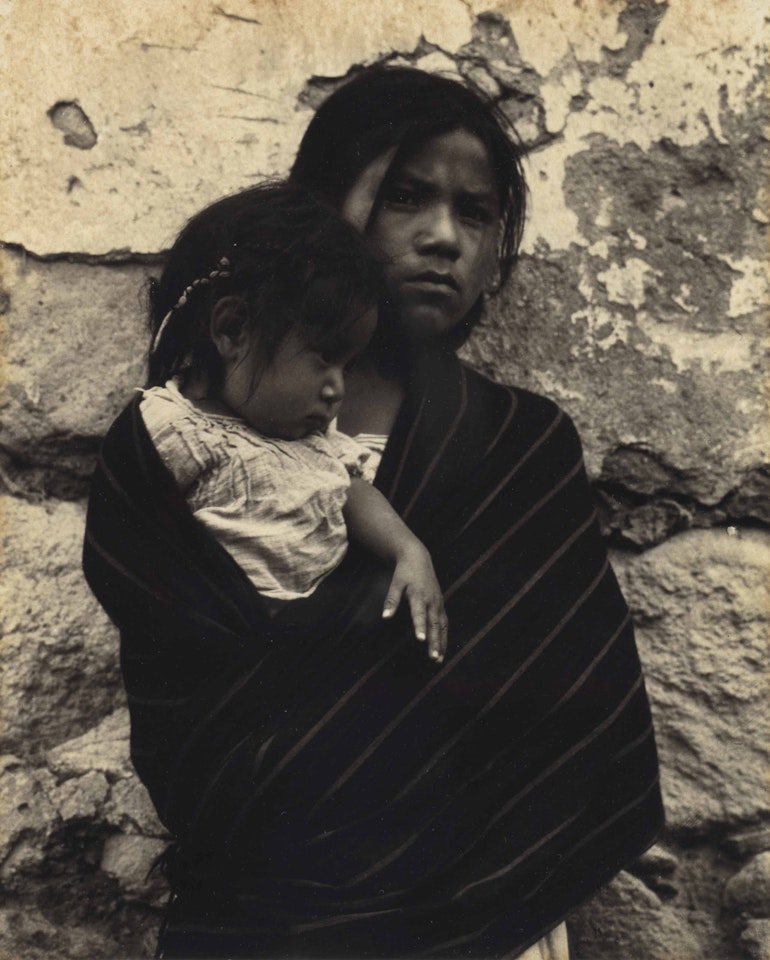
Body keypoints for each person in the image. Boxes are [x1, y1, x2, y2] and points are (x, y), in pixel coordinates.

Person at [83, 67, 663, 959]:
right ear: (324, 208)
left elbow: (560, 717)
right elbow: (187, 689)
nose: (443, 238)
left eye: (475, 214)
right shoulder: (187, 437)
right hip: (258, 913)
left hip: (480, 917)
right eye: (405, 197)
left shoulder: (518, 448)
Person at [139, 182, 447, 658]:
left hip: (320, 649)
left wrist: (409, 550)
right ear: (232, 330)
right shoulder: (173, 428)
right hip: (227, 656)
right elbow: (140, 541)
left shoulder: (311, 439)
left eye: (347, 365)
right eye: (325, 357)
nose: (337, 388)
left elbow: (349, 490)